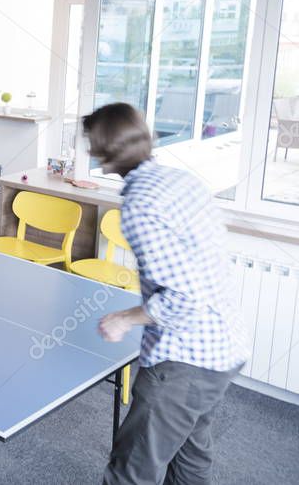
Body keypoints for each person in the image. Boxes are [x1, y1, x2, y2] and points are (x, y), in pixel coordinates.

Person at [82, 103, 249, 485]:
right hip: (223, 348)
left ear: (104, 152)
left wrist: (124, 319)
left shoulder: (140, 206)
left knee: (131, 470)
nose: (89, 149)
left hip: (184, 362)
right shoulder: (180, 180)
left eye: (92, 142)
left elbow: (183, 299)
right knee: (190, 456)